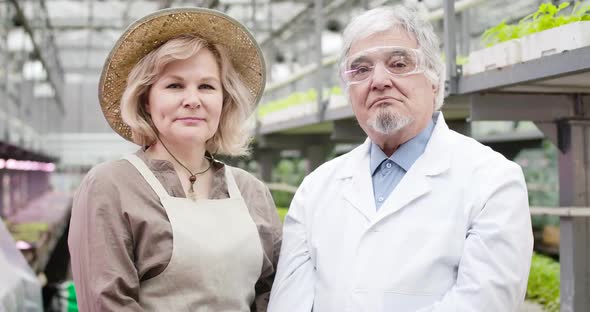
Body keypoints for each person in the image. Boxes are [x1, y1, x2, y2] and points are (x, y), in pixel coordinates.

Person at [268, 5, 533, 312]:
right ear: (348, 91)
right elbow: (288, 303)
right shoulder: (315, 189)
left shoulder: (493, 180)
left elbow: (483, 303)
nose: (379, 80)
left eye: (398, 63)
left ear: (434, 80)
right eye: (361, 69)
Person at [68, 7, 281, 311]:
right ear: (146, 99)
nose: (192, 100)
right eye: (174, 85)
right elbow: (108, 303)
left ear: (224, 100)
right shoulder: (110, 186)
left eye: (207, 86)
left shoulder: (252, 192)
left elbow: (273, 294)